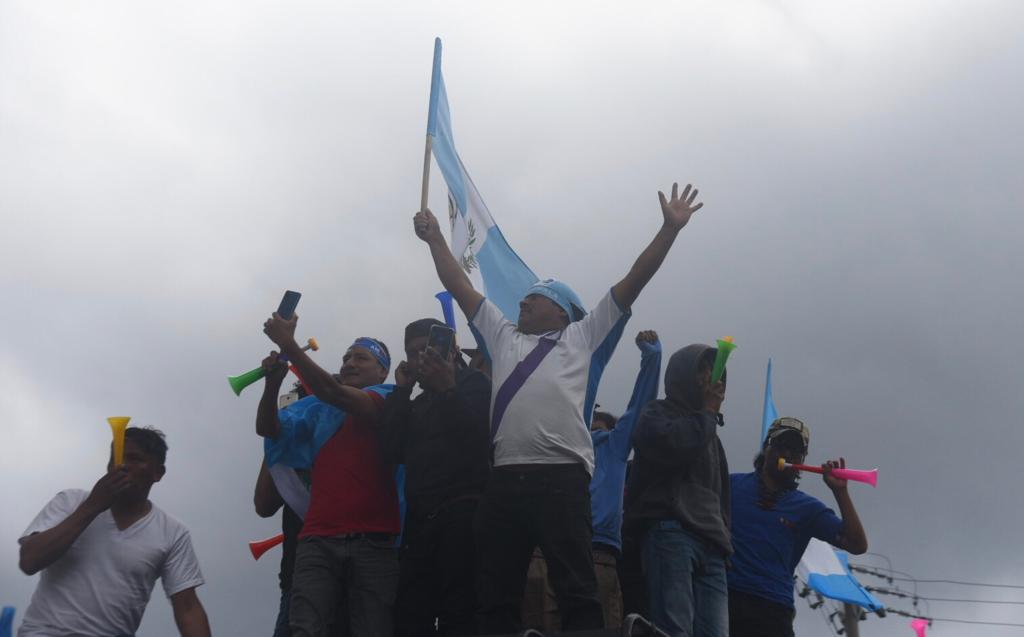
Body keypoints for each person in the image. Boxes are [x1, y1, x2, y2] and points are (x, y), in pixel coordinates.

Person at [414, 181, 705, 634]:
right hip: (505, 479)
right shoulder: (502, 334)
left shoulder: (583, 337)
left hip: (562, 478)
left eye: (537, 296)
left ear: (564, 311)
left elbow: (636, 278)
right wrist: (434, 238)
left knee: (577, 589)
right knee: (495, 592)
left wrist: (669, 229)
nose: (523, 301)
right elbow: (457, 281)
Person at [259, 316, 400, 637]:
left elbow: (334, 393)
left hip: (374, 540)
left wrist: (289, 346)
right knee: (305, 630)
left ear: (382, 371)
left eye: (361, 358)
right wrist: (272, 384)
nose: (349, 363)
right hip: (317, 539)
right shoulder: (316, 408)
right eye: (346, 357)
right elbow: (268, 430)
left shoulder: (389, 397)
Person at [522, 330, 662, 632]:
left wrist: (652, 357)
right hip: (547, 549)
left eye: (600, 423)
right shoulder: (559, 438)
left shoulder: (613, 446)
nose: (593, 424)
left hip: (598, 552)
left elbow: (640, 405)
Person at [17, 427, 210, 637]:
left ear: (158, 473)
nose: (122, 466)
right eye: (116, 458)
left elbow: (188, 609)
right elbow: (29, 560)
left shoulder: (172, 533)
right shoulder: (70, 502)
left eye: (135, 459)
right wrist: (92, 506)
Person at [378, 318, 492, 636]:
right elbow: (390, 450)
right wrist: (401, 392)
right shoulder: (416, 403)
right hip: (419, 522)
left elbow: (475, 440)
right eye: (412, 353)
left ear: (451, 350)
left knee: (462, 611)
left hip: (465, 513)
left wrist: (448, 390)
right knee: (411, 613)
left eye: (427, 350)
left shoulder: (475, 385)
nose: (420, 359)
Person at [624, 343, 731, 637]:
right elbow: (676, 446)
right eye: (704, 370)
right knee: (674, 629)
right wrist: (708, 413)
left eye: (716, 371)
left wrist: (725, 543)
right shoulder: (656, 413)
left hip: (713, 545)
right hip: (671, 533)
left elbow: (722, 499)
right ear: (684, 374)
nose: (712, 378)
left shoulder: (712, 436)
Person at [727, 418, 868, 637]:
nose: (789, 454)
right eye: (782, 446)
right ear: (766, 448)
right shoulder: (731, 485)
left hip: (773, 610)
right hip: (724, 597)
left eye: (796, 451)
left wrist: (840, 492)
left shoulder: (807, 508)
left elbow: (857, 544)